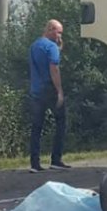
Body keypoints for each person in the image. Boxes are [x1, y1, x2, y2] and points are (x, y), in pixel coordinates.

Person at [28, 19, 70, 173]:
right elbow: (54, 70)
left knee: (37, 126)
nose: (60, 36)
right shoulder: (51, 47)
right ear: (51, 29)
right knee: (61, 121)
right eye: (58, 32)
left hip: (36, 89)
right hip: (49, 88)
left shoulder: (35, 45)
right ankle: (56, 159)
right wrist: (59, 91)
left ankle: (35, 162)